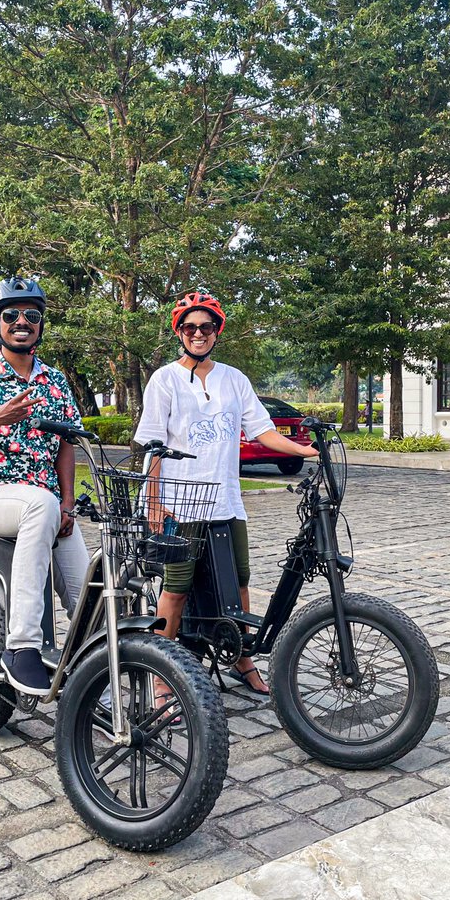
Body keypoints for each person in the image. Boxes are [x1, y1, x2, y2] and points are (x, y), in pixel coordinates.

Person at [135, 291, 318, 696]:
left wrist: (305, 449)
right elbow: (153, 445)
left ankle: (241, 658)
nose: (198, 334)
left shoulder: (234, 379)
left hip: (226, 501)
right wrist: (152, 501)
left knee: (238, 584)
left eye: (205, 327)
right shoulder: (164, 379)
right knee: (176, 588)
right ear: (179, 333)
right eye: (189, 327)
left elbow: (262, 430)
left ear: (216, 331)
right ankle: (162, 679)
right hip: (179, 502)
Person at [0, 277, 90, 696]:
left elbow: (65, 445)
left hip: (44, 503)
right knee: (39, 504)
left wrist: (67, 502)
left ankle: (94, 681)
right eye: (11, 315)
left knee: (89, 592)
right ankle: (21, 645)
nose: (21, 322)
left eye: (31, 316)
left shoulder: (56, 382)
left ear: (40, 326)